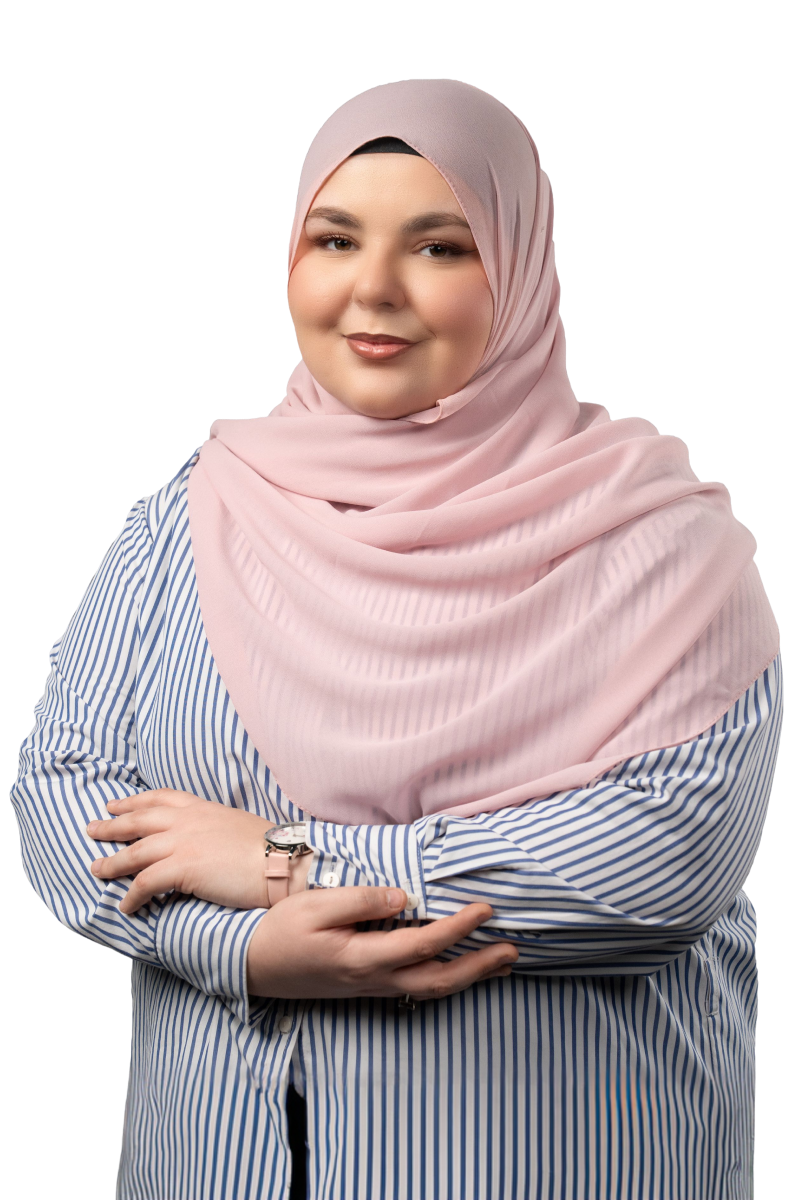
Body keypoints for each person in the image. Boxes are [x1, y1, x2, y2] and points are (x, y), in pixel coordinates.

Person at [11, 79, 781, 1200]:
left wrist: (282, 865)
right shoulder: (193, 514)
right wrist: (237, 947)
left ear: (517, 270)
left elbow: (658, 869)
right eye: (335, 238)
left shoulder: (659, 546)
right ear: (290, 261)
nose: (372, 290)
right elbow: (62, 789)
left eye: (437, 246)